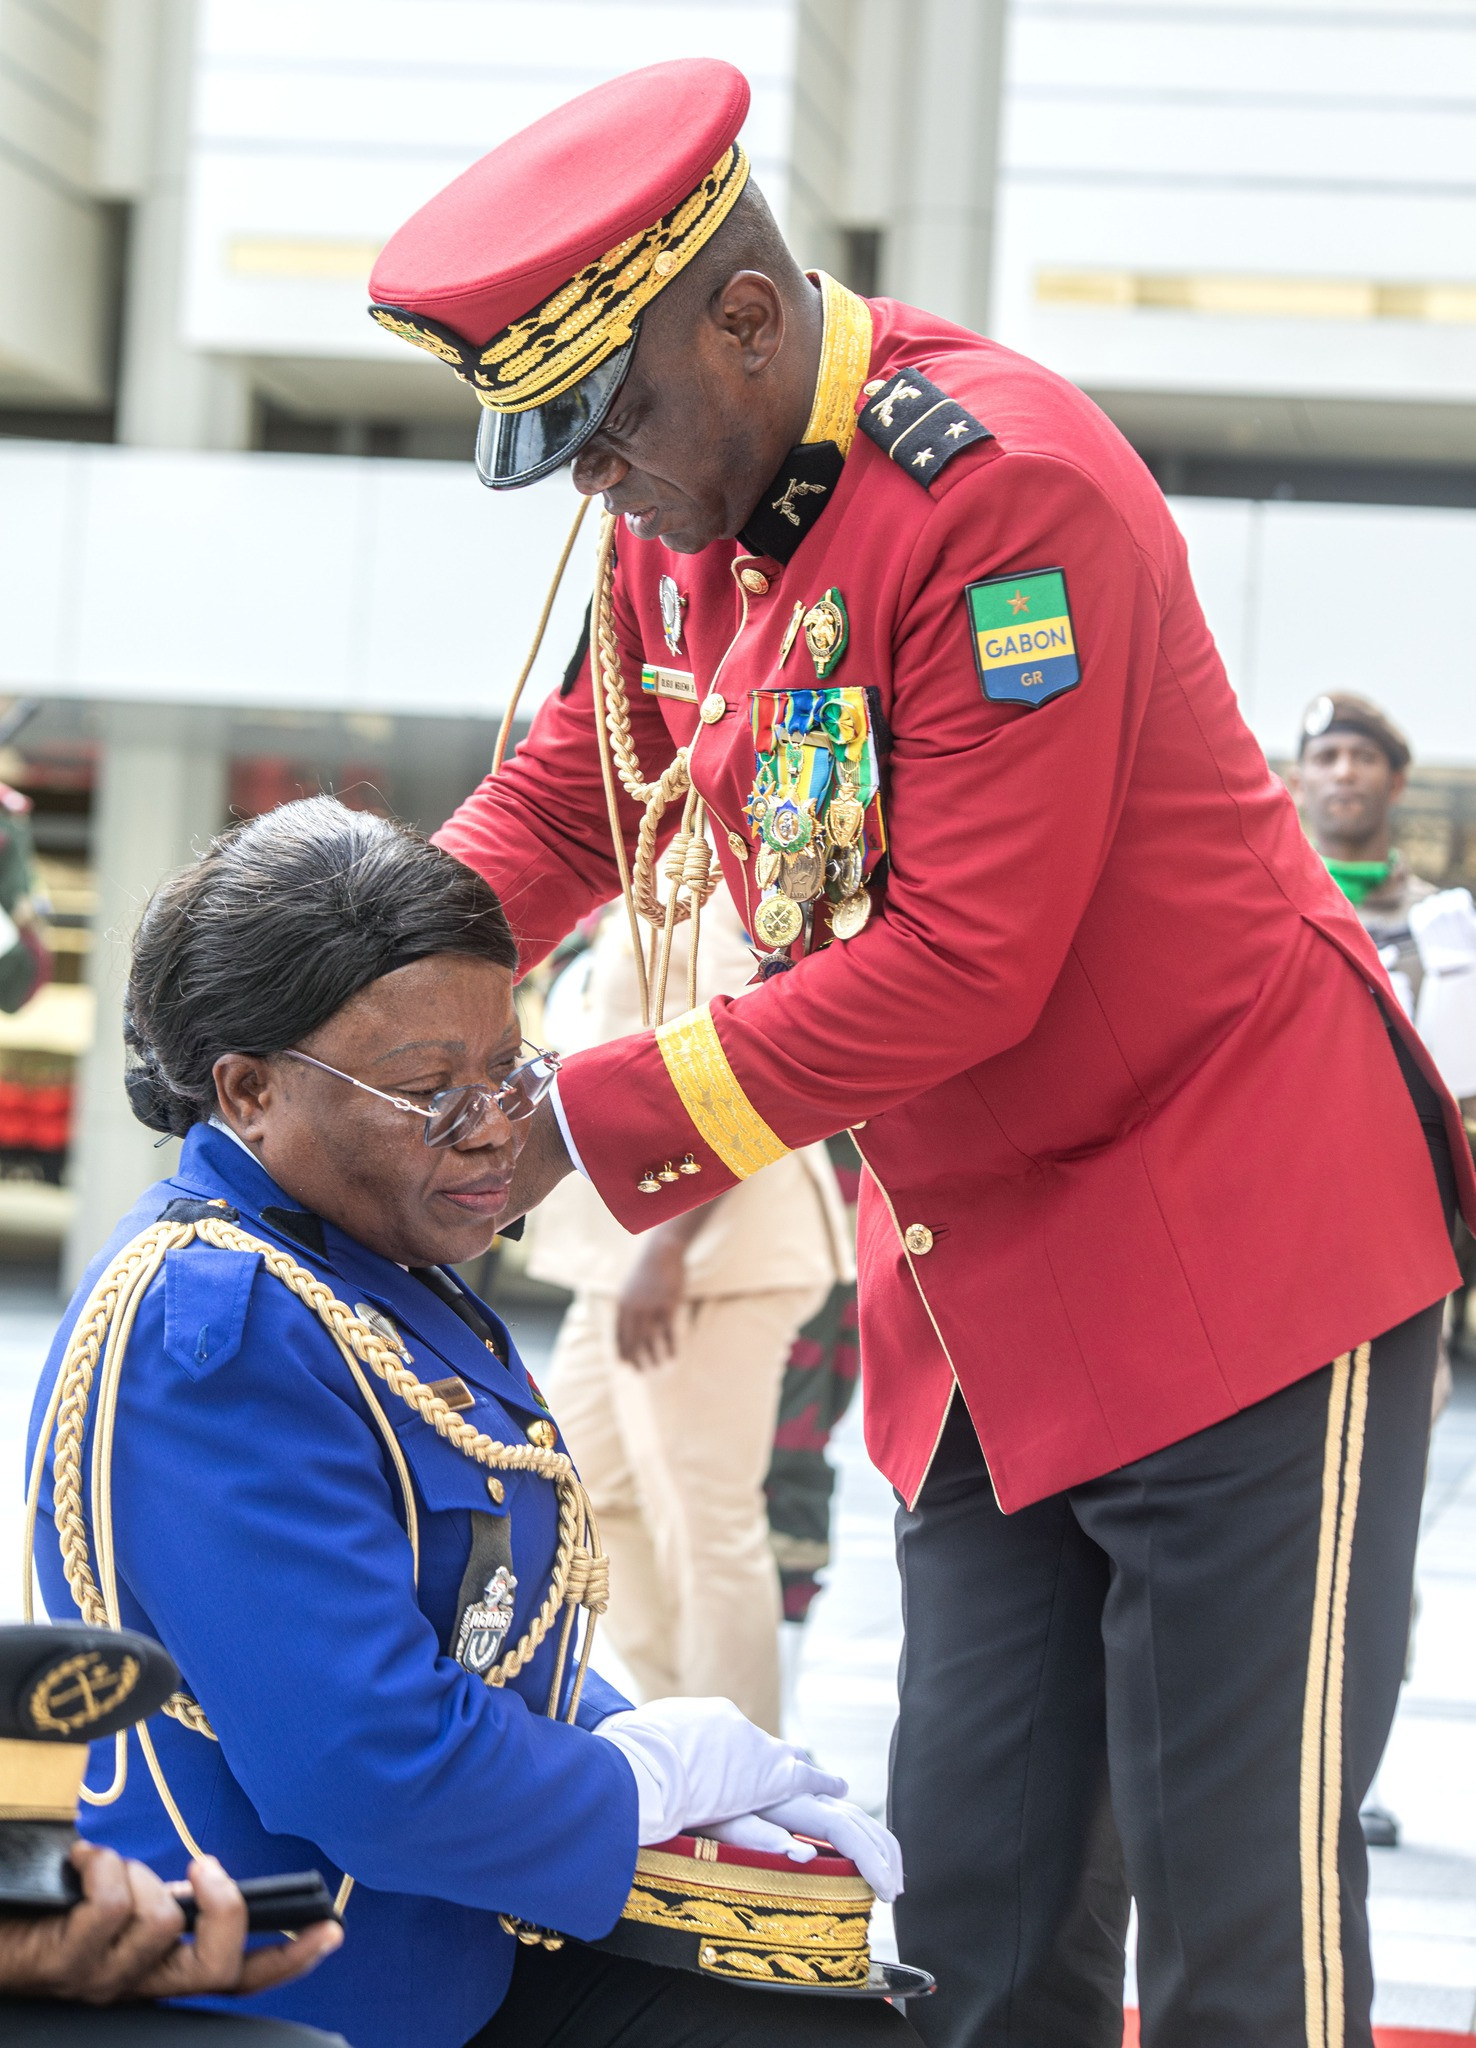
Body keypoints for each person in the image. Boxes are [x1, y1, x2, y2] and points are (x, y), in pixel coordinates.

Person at [367, 60, 1475, 2048]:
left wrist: (565, 1124)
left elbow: (969, 962)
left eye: (604, 425)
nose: (595, 479)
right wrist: (339, 985)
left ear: (744, 313)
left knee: (1239, 1923)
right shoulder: (681, 506)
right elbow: (564, 802)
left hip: (1236, 1244)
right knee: (973, 1907)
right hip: (981, 1310)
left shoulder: (998, 489)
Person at [25, 799, 908, 2048]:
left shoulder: (361, 1258)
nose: (494, 1123)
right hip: (291, 1983)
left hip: (442, 1938)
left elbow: (479, 1623)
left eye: (507, 1067)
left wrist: (637, 1736)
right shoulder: (213, 1329)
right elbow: (366, 1762)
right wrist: (635, 1781)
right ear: (249, 1089)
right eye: (428, 1090)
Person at [525, 895, 851, 1732]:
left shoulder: (712, 874)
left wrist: (668, 1250)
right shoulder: (643, 863)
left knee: (706, 1526)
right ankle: (686, 1727)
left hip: (709, 1254)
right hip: (627, 1254)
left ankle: (741, 1782)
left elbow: (747, 1074)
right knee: (583, 1494)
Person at [1291, 690, 1476, 1850]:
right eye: (1327, 755)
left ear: (1396, 782)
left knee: (1372, 1523)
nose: (1344, 773)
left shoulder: (1445, 928)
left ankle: (1345, 1772)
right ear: (1300, 776)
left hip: (1399, 1261)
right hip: (1265, 1254)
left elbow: (1458, 1090)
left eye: (1364, 755)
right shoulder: (1261, 886)